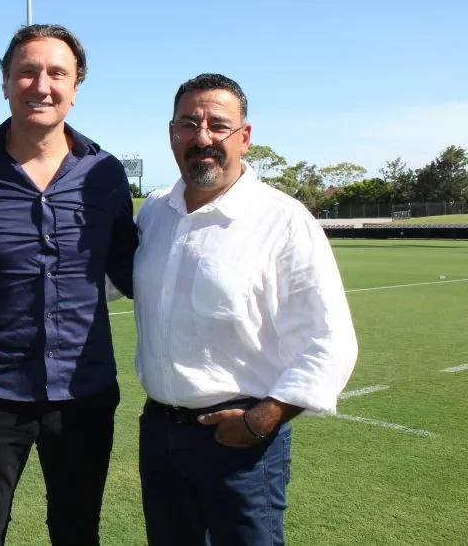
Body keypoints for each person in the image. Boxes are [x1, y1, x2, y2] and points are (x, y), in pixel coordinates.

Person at [0, 24, 137, 545]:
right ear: (5, 82)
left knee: (76, 530)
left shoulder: (105, 173)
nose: (41, 84)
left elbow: (136, 270)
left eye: (56, 73)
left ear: (76, 86)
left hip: (85, 392)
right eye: (27, 71)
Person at [131, 73, 358, 545]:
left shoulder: (283, 220)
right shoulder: (154, 212)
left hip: (240, 442)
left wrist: (262, 419)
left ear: (245, 137)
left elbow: (330, 341)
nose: (203, 138)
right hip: (160, 435)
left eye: (219, 125)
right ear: (172, 133)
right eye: (189, 124)